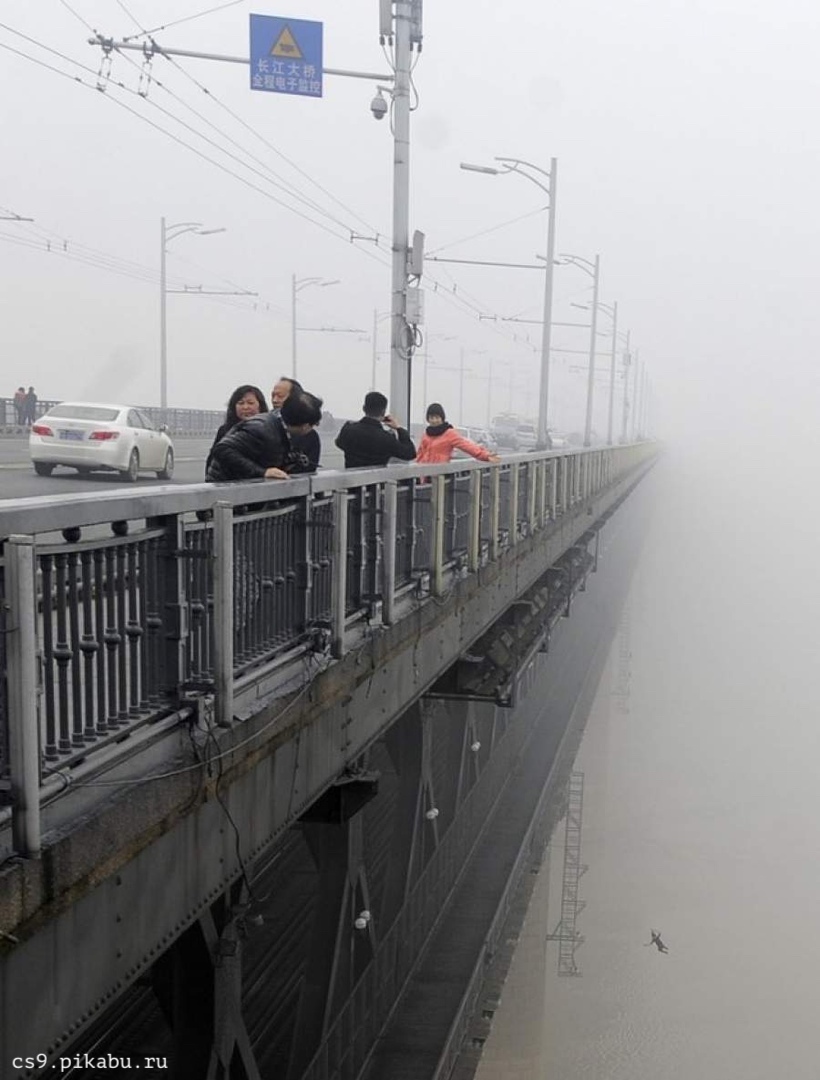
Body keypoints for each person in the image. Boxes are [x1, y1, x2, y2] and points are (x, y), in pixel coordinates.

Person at [206, 390, 323, 482]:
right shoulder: (262, 428)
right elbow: (222, 449)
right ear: (305, 425)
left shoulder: (279, 427)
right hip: (225, 491)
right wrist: (262, 472)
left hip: (239, 487)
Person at [335, 391, 416, 468]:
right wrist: (399, 428)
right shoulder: (387, 438)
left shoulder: (348, 429)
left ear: (364, 408)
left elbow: (338, 443)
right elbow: (410, 453)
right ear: (383, 412)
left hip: (352, 481)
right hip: (375, 481)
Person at [205, 384, 268, 476]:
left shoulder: (268, 430)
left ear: (260, 406)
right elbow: (213, 460)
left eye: (250, 403)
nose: (245, 407)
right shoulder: (224, 430)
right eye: (240, 403)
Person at [415, 403, 501, 465]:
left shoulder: (449, 433)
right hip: (424, 476)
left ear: (442, 418)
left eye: (437, 417)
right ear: (428, 419)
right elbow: (420, 455)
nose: (434, 420)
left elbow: (468, 446)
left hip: (440, 475)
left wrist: (485, 455)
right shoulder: (426, 434)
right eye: (431, 418)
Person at [271, 375, 321, 469]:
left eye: (280, 396)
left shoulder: (309, 435)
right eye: (273, 395)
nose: (275, 400)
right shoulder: (264, 426)